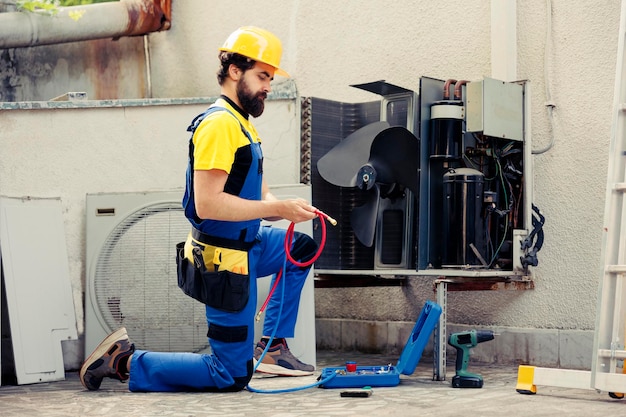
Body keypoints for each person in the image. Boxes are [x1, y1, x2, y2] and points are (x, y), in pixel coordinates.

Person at [80, 26, 320, 392]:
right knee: (231, 374)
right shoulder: (219, 125)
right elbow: (208, 204)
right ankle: (123, 360)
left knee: (298, 249)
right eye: (262, 76)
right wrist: (280, 208)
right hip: (224, 260)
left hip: (249, 243)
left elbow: (263, 201)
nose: (268, 86)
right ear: (235, 71)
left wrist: (288, 210)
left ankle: (272, 347)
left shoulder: (243, 125)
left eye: (270, 78)